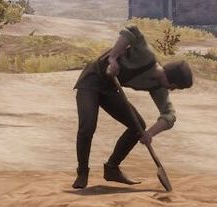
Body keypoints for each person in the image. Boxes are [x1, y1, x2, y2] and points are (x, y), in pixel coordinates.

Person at [72, 24, 194, 190]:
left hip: (109, 89)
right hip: (92, 80)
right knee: (88, 126)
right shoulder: (146, 56)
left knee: (138, 126)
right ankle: (82, 173)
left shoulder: (158, 88)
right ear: (168, 76)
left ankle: (112, 169)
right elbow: (132, 31)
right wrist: (113, 58)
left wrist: (150, 133)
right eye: (173, 85)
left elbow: (169, 115)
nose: (172, 89)